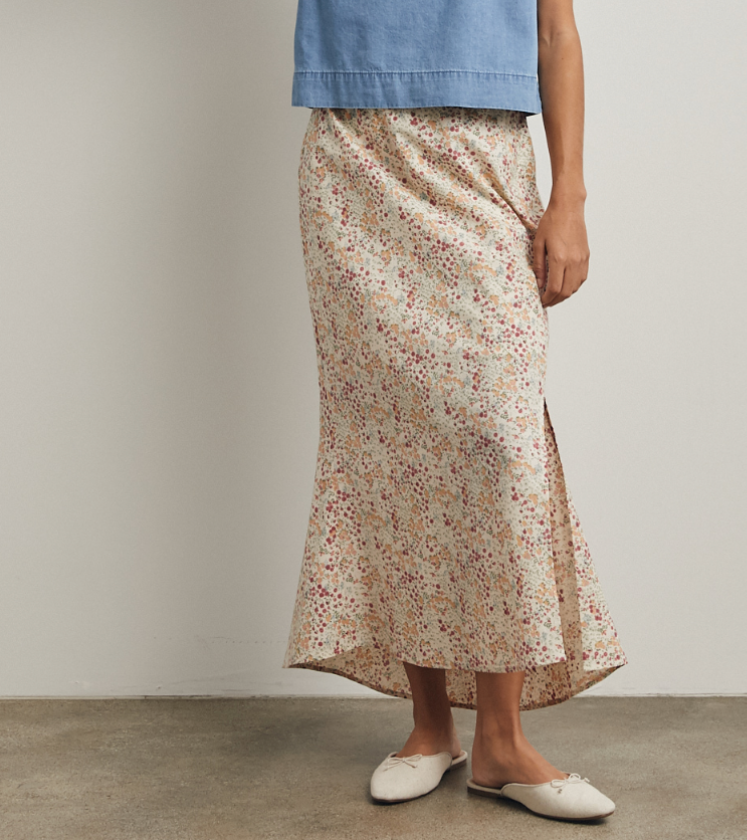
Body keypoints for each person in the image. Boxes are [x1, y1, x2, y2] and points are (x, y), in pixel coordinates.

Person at [284, 0, 628, 822]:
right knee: (391, 443)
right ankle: (430, 726)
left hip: (484, 154)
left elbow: (555, 30)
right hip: (354, 154)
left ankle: (502, 741)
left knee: (500, 443)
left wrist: (570, 196)